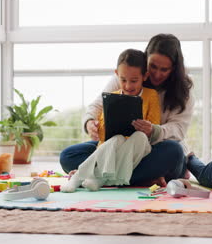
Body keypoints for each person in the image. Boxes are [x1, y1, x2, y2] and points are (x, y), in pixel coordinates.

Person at [60, 34, 194, 186]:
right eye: (153, 67)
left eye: (164, 69)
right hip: (119, 145)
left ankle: (98, 176)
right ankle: (142, 178)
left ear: (174, 68)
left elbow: (179, 129)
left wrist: (153, 130)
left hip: (155, 147)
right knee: (68, 155)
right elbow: (97, 105)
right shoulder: (128, 76)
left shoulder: (183, 91)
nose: (157, 74)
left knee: (174, 151)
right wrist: (90, 122)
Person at [61, 49, 161, 192]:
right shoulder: (111, 97)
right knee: (116, 139)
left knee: (140, 137)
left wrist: (147, 127)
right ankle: (91, 179)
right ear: (116, 75)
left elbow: (154, 128)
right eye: (123, 80)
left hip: (139, 146)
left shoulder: (151, 96)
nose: (128, 86)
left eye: (134, 81)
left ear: (144, 76)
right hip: (112, 146)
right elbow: (102, 137)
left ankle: (90, 176)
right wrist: (97, 127)